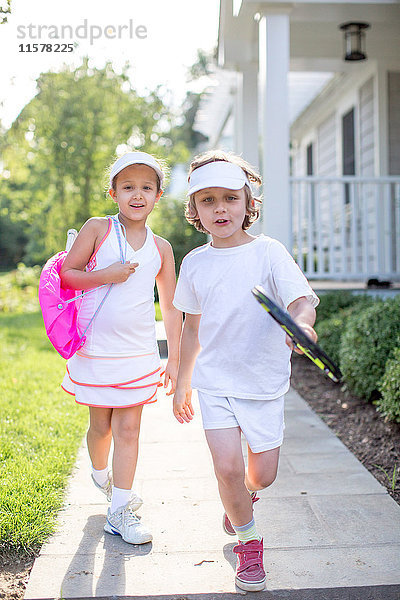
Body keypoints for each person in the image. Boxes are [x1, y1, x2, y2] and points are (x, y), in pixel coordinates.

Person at [172, 150, 319, 591]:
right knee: (227, 469)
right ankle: (249, 544)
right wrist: (182, 383)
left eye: (230, 199)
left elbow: (299, 300)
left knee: (261, 476)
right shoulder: (195, 263)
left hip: (263, 383)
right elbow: (191, 327)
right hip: (215, 383)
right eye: (208, 200)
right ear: (195, 210)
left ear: (248, 204)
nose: (220, 208)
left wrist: (304, 327)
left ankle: (242, 499)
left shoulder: (269, 252)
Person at [60, 151, 182, 545]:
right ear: (113, 192)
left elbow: (172, 308)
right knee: (101, 428)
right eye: (128, 187)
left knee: (128, 428)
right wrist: (106, 275)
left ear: (158, 196)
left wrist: (174, 359)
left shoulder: (161, 248)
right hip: (97, 351)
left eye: (147, 187)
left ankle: (120, 510)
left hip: (138, 354)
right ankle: (102, 477)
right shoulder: (98, 229)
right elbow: (68, 276)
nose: (137, 195)